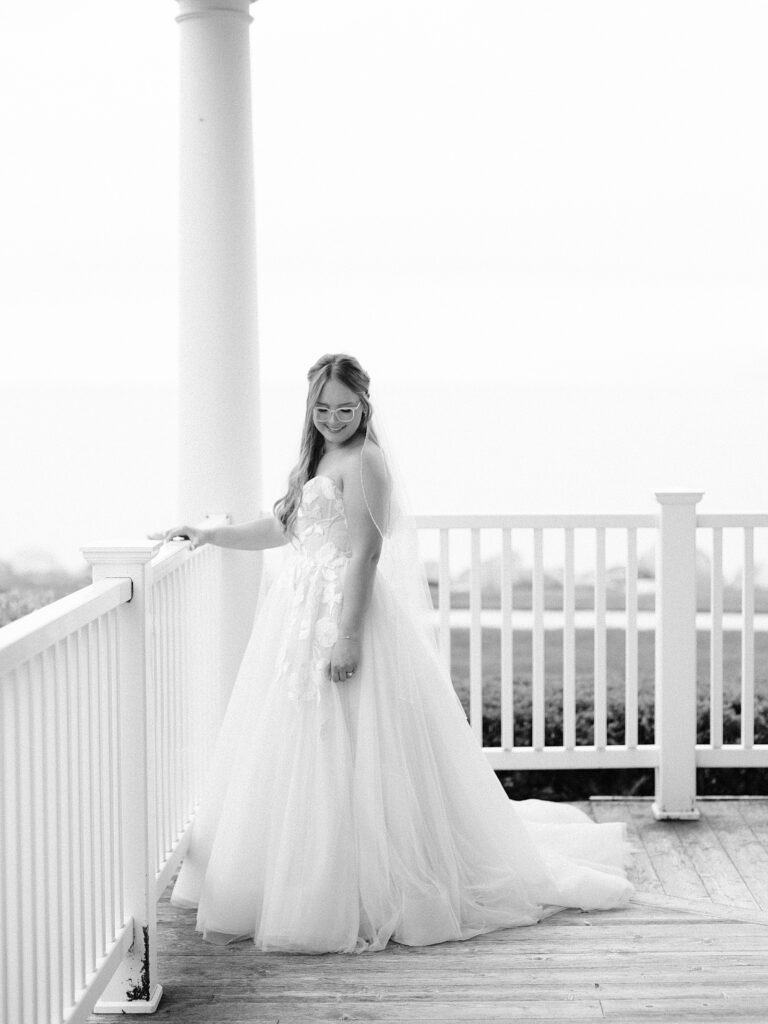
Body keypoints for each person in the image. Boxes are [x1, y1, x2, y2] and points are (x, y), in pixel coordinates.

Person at [149, 353, 633, 955]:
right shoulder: (316, 458)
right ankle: (306, 874)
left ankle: (362, 885)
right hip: (299, 614)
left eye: (344, 408)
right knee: (308, 741)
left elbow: (366, 554)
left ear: (364, 406)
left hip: (344, 612)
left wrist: (347, 634)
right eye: (322, 408)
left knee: (354, 738)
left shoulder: (366, 460)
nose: (332, 418)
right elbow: (284, 528)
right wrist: (211, 534)